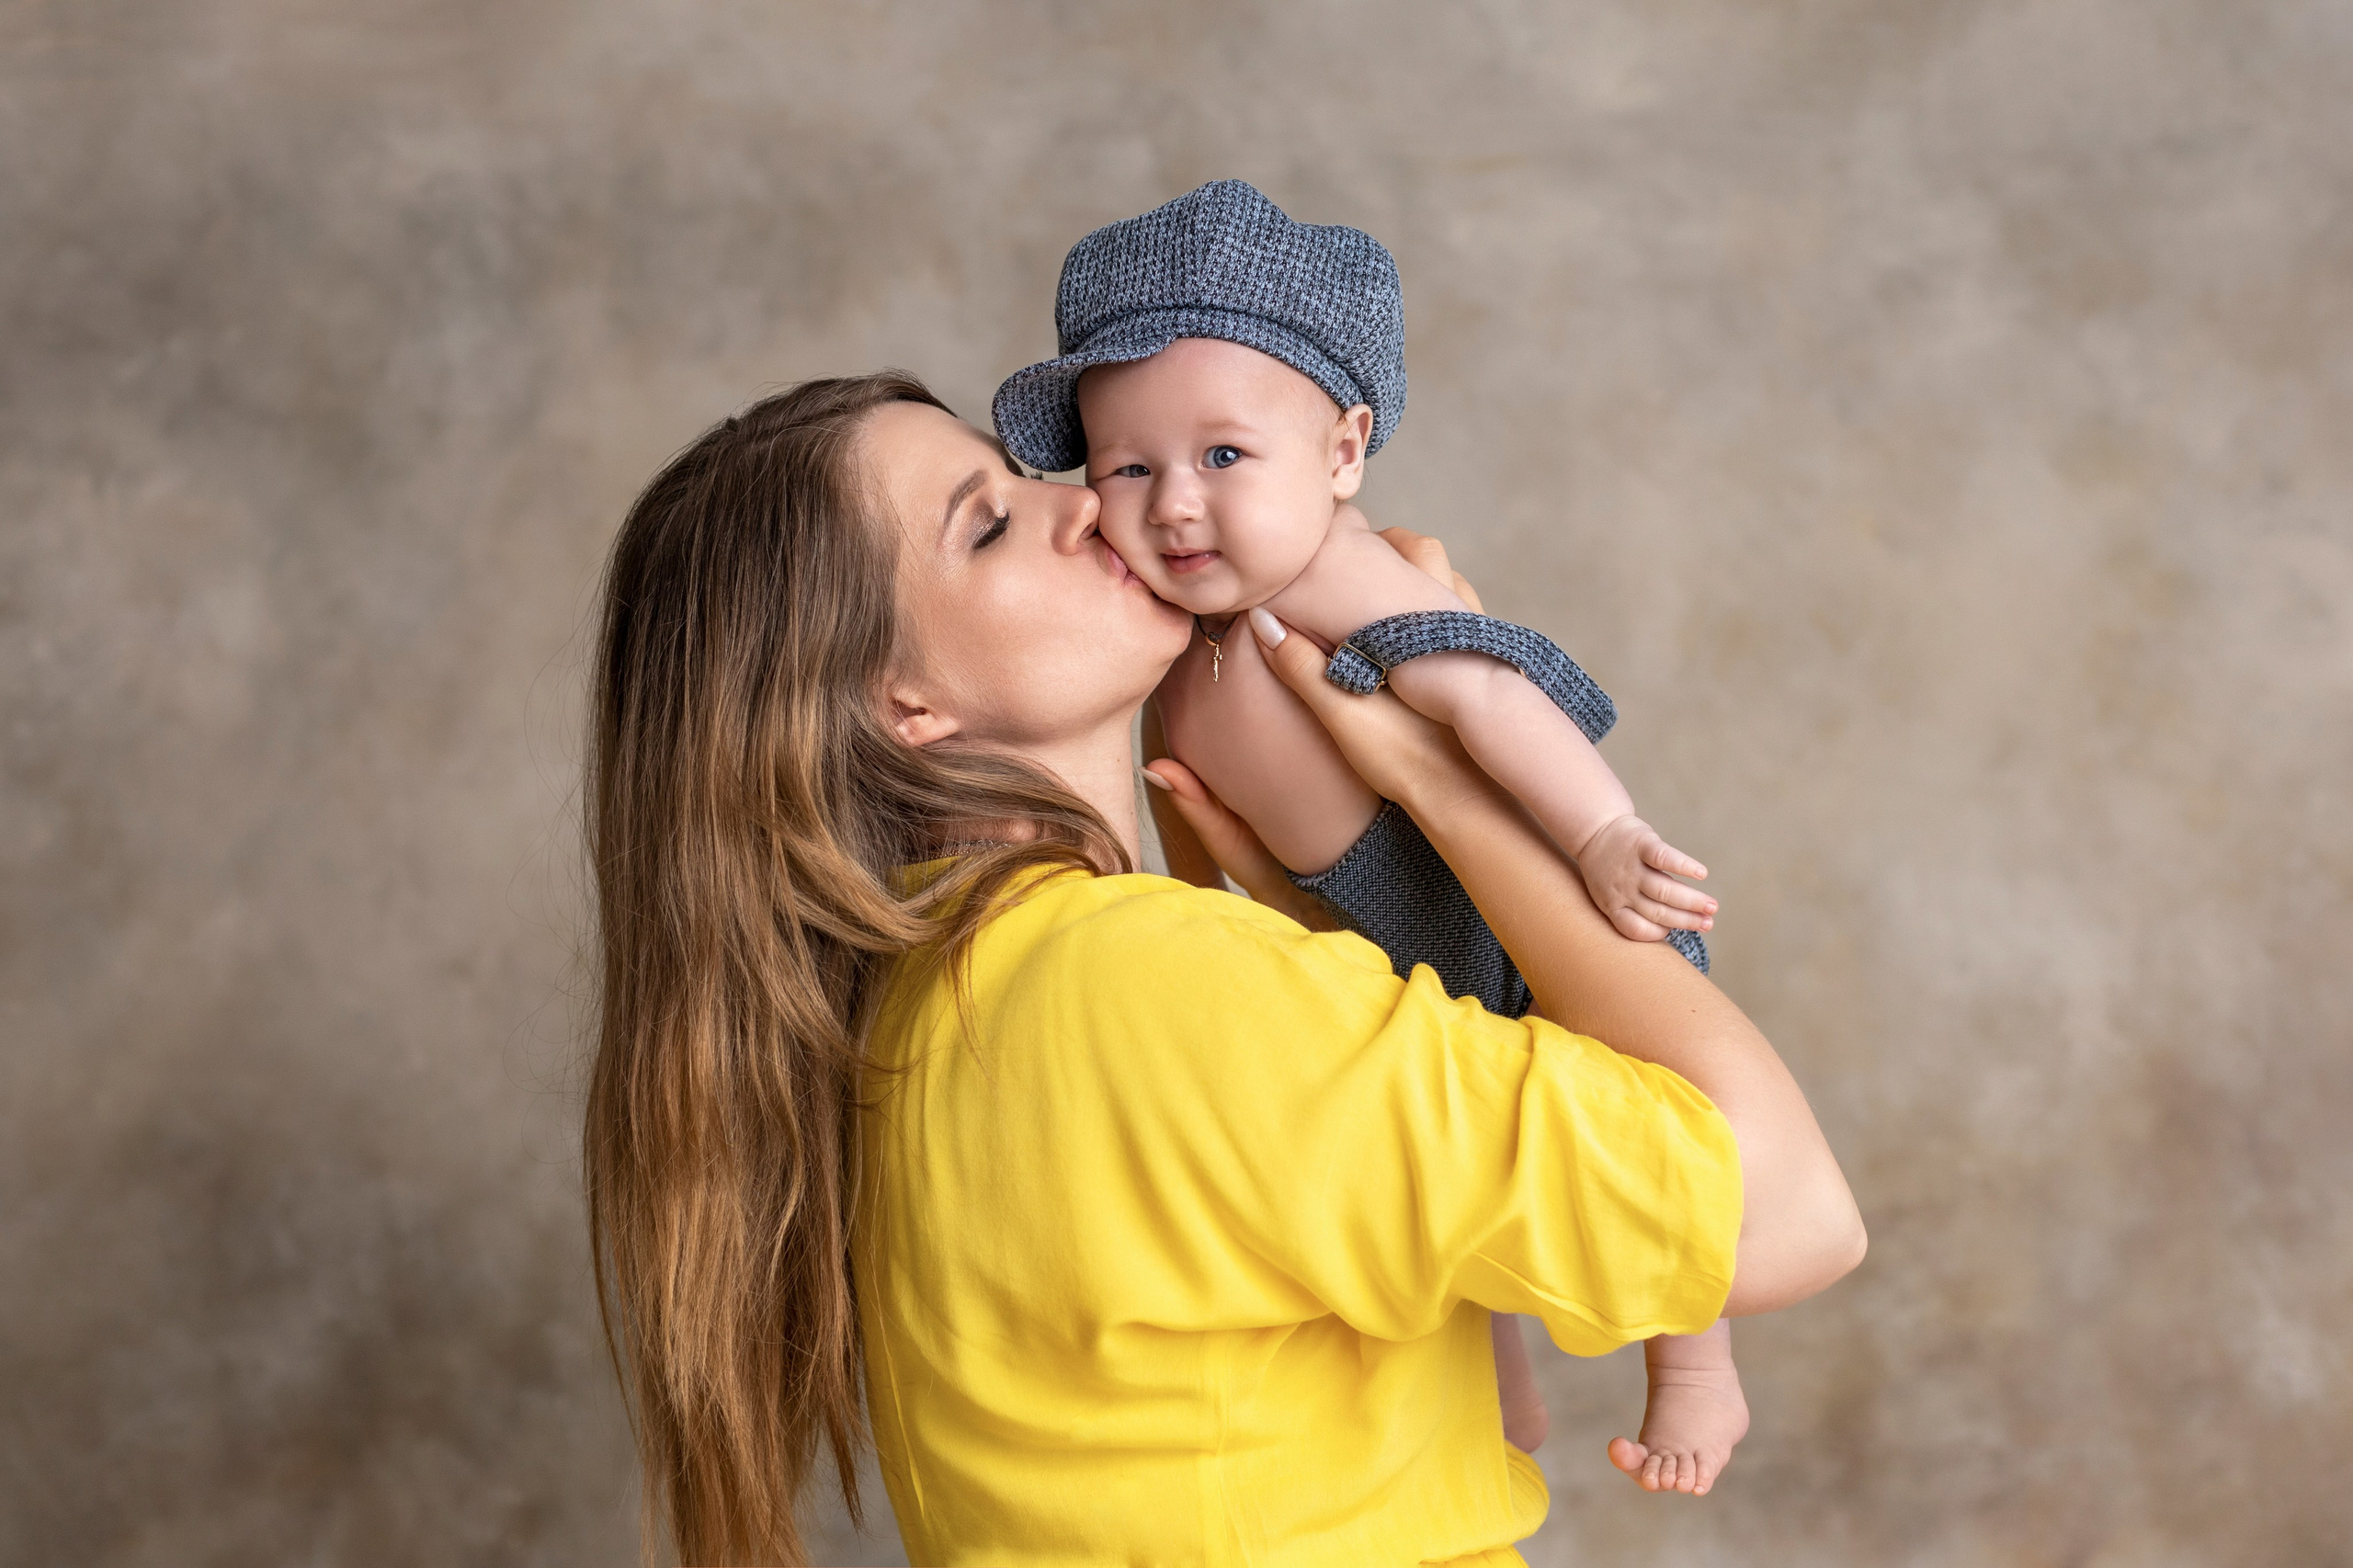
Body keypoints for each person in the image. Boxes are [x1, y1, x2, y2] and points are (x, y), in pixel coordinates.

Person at [582, 369, 1865, 1566]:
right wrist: (1443, 771)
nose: (1089, 501)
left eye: (1030, 476)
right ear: (901, 703)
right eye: (987, 526)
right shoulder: (1138, 986)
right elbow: (1788, 1208)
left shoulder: (936, 1012)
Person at [994, 180, 1735, 1478]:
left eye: (1226, 457)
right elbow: (1198, 831)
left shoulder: (1336, 571)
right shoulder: (1162, 643)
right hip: (1361, 942)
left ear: (1341, 452)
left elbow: (1487, 690)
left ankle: (1697, 1366)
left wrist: (1605, 831)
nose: (1175, 506)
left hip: (1502, 909)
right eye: (1130, 466)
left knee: (1642, 1120)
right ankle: (1492, 1365)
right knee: (1444, 1170)